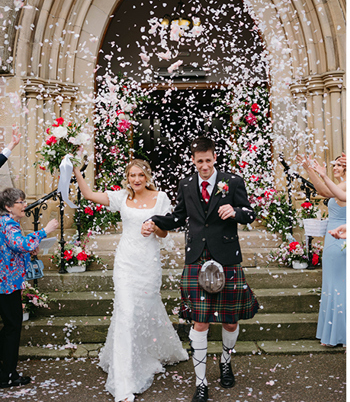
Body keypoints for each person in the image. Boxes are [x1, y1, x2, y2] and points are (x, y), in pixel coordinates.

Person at [143, 137, 258, 402]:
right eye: (199, 161)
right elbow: (178, 217)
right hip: (196, 258)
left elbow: (249, 213)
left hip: (227, 258)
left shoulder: (233, 181)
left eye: (208, 160)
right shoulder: (185, 184)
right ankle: (201, 381)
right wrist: (154, 220)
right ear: (193, 161)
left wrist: (236, 211)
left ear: (214, 158)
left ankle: (226, 363)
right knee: (200, 321)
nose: (204, 166)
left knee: (230, 321)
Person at [73, 160, 188, 402]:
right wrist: (75, 171)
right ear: (127, 177)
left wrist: (154, 227)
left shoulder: (161, 198)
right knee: (126, 314)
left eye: (140, 175)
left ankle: (148, 353)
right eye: (132, 175)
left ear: (147, 176)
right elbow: (87, 194)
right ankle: (124, 383)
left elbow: (165, 231)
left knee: (144, 312)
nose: (136, 180)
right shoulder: (120, 197)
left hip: (148, 264)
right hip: (125, 263)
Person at [0, 188, 57, 388]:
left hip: (7, 282)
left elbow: (13, 248)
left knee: (9, 327)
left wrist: (29, 249)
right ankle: (7, 375)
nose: (25, 205)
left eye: (24, 201)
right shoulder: (8, 225)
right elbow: (20, 243)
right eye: (20, 202)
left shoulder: (6, 223)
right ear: (8, 206)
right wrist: (45, 231)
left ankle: (6, 371)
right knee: (12, 328)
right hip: (6, 285)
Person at [297, 153, 346, 347]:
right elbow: (321, 190)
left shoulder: (347, 184)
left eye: (338, 165)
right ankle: (334, 335)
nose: (335, 168)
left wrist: (322, 174)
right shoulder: (340, 184)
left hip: (339, 237)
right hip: (332, 237)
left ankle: (340, 335)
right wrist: (310, 169)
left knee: (337, 287)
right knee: (332, 286)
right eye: (334, 165)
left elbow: (327, 192)